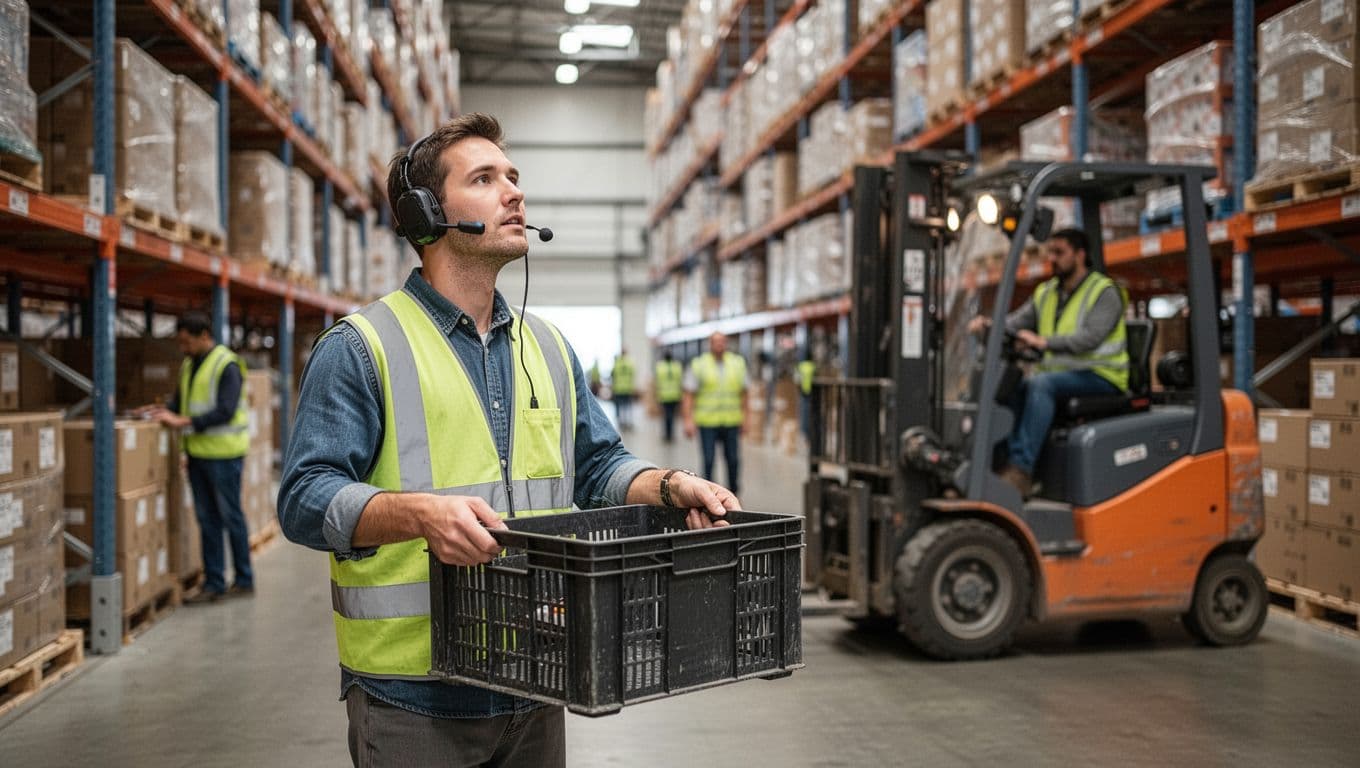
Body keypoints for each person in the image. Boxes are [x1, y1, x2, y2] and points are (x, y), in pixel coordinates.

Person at [277, 113, 739, 768]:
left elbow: (597, 464)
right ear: (428, 212)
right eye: (486, 178)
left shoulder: (548, 347)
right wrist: (419, 514)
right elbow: (304, 500)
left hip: (538, 676)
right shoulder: (363, 347)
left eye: (514, 177)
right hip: (415, 697)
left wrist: (668, 485)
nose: (515, 193)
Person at [969, 228, 1128, 497]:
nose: (1052, 258)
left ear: (1080, 255)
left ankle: (1020, 470)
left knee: (1040, 385)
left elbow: (1089, 338)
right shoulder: (1047, 292)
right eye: (1050, 252)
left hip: (1102, 376)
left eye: (1059, 252)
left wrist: (1044, 342)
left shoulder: (1104, 292)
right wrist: (990, 326)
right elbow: (1015, 323)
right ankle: (996, 462)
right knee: (1013, 388)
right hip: (1063, 377)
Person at [140, 311, 253, 604]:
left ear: (205, 335)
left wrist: (183, 422)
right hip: (198, 454)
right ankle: (214, 582)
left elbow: (225, 410)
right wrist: (160, 411)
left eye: (186, 341)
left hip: (225, 454)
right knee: (207, 519)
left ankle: (244, 579)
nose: (183, 348)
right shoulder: (188, 365)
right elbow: (179, 403)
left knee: (231, 517)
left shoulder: (227, 364)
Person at [683, 332, 748, 495]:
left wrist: (746, 418)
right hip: (707, 423)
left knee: (733, 461)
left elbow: (745, 392)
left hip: (731, 421)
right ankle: (708, 495)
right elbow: (688, 394)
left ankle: (733, 494)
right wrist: (688, 419)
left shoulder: (737, 363)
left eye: (722, 342)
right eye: (715, 342)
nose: (719, 345)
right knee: (709, 460)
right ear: (710, 344)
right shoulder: (699, 364)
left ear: (726, 343)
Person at [654, 350, 683, 443]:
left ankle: (667, 434)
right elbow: (680, 380)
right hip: (675, 395)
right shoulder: (677, 366)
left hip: (664, 395)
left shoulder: (660, 367)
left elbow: (657, 381)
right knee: (672, 416)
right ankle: (671, 433)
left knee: (666, 415)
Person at [610, 348, 636, 431]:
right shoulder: (630, 363)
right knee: (628, 406)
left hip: (619, 388)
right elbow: (632, 375)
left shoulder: (617, 363)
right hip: (627, 388)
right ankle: (629, 423)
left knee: (621, 406)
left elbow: (613, 375)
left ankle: (622, 423)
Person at [797, 353, 817, 439]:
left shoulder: (800, 366)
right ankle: (809, 431)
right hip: (811, 393)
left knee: (803, 411)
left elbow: (797, 378)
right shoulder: (813, 366)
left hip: (803, 392)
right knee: (810, 412)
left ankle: (803, 430)